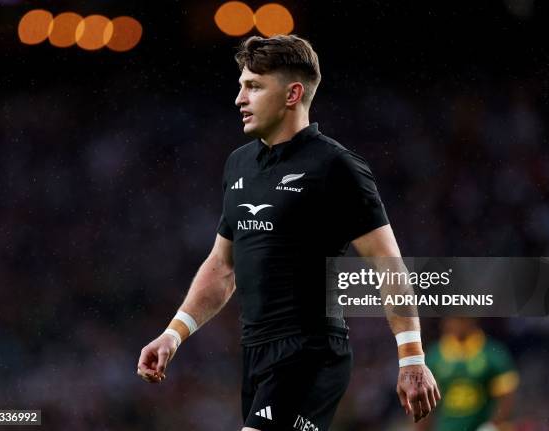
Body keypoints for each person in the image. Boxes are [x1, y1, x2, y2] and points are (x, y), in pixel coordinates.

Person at [137, 34, 440, 431]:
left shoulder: (336, 166)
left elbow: (388, 264)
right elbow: (223, 266)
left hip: (312, 354)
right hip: (257, 355)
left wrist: (412, 358)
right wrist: (173, 335)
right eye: (241, 86)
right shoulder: (239, 165)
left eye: (254, 87)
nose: (239, 99)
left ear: (292, 94)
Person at [416, 318, 519, 431]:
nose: (456, 324)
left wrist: (492, 426)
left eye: (461, 319)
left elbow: (507, 399)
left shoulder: (493, 355)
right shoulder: (434, 357)